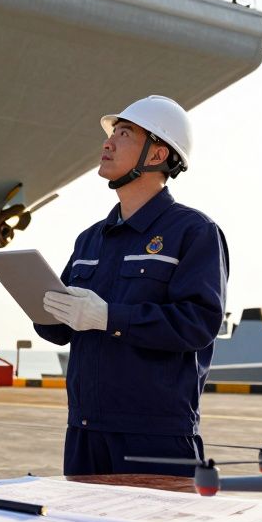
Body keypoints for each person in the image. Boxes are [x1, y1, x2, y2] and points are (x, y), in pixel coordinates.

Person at [34, 96, 229, 476]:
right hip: (85, 430)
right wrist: (41, 306)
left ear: (157, 155)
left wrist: (108, 317)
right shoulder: (91, 239)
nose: (107, 143)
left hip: (154, 435)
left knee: (158, 519)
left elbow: (198, 323)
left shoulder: (194, 232)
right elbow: (59, 332)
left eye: (123, 134)